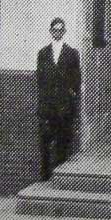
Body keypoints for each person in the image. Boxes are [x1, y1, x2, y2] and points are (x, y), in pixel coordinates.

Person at [36, 17, 81, 181]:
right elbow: (40, 80)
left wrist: (70, 100)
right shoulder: (43, 53)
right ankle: (45, 176)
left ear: (64, 31)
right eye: (54, 29)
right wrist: (43, 104)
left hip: (64, 106)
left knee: (63, 141)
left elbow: (76, 81)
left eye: (60, 29)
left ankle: (60, 176)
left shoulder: (72, 53)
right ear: (50, 31)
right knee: (46, 141)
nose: (57, 32)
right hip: (48, 106)